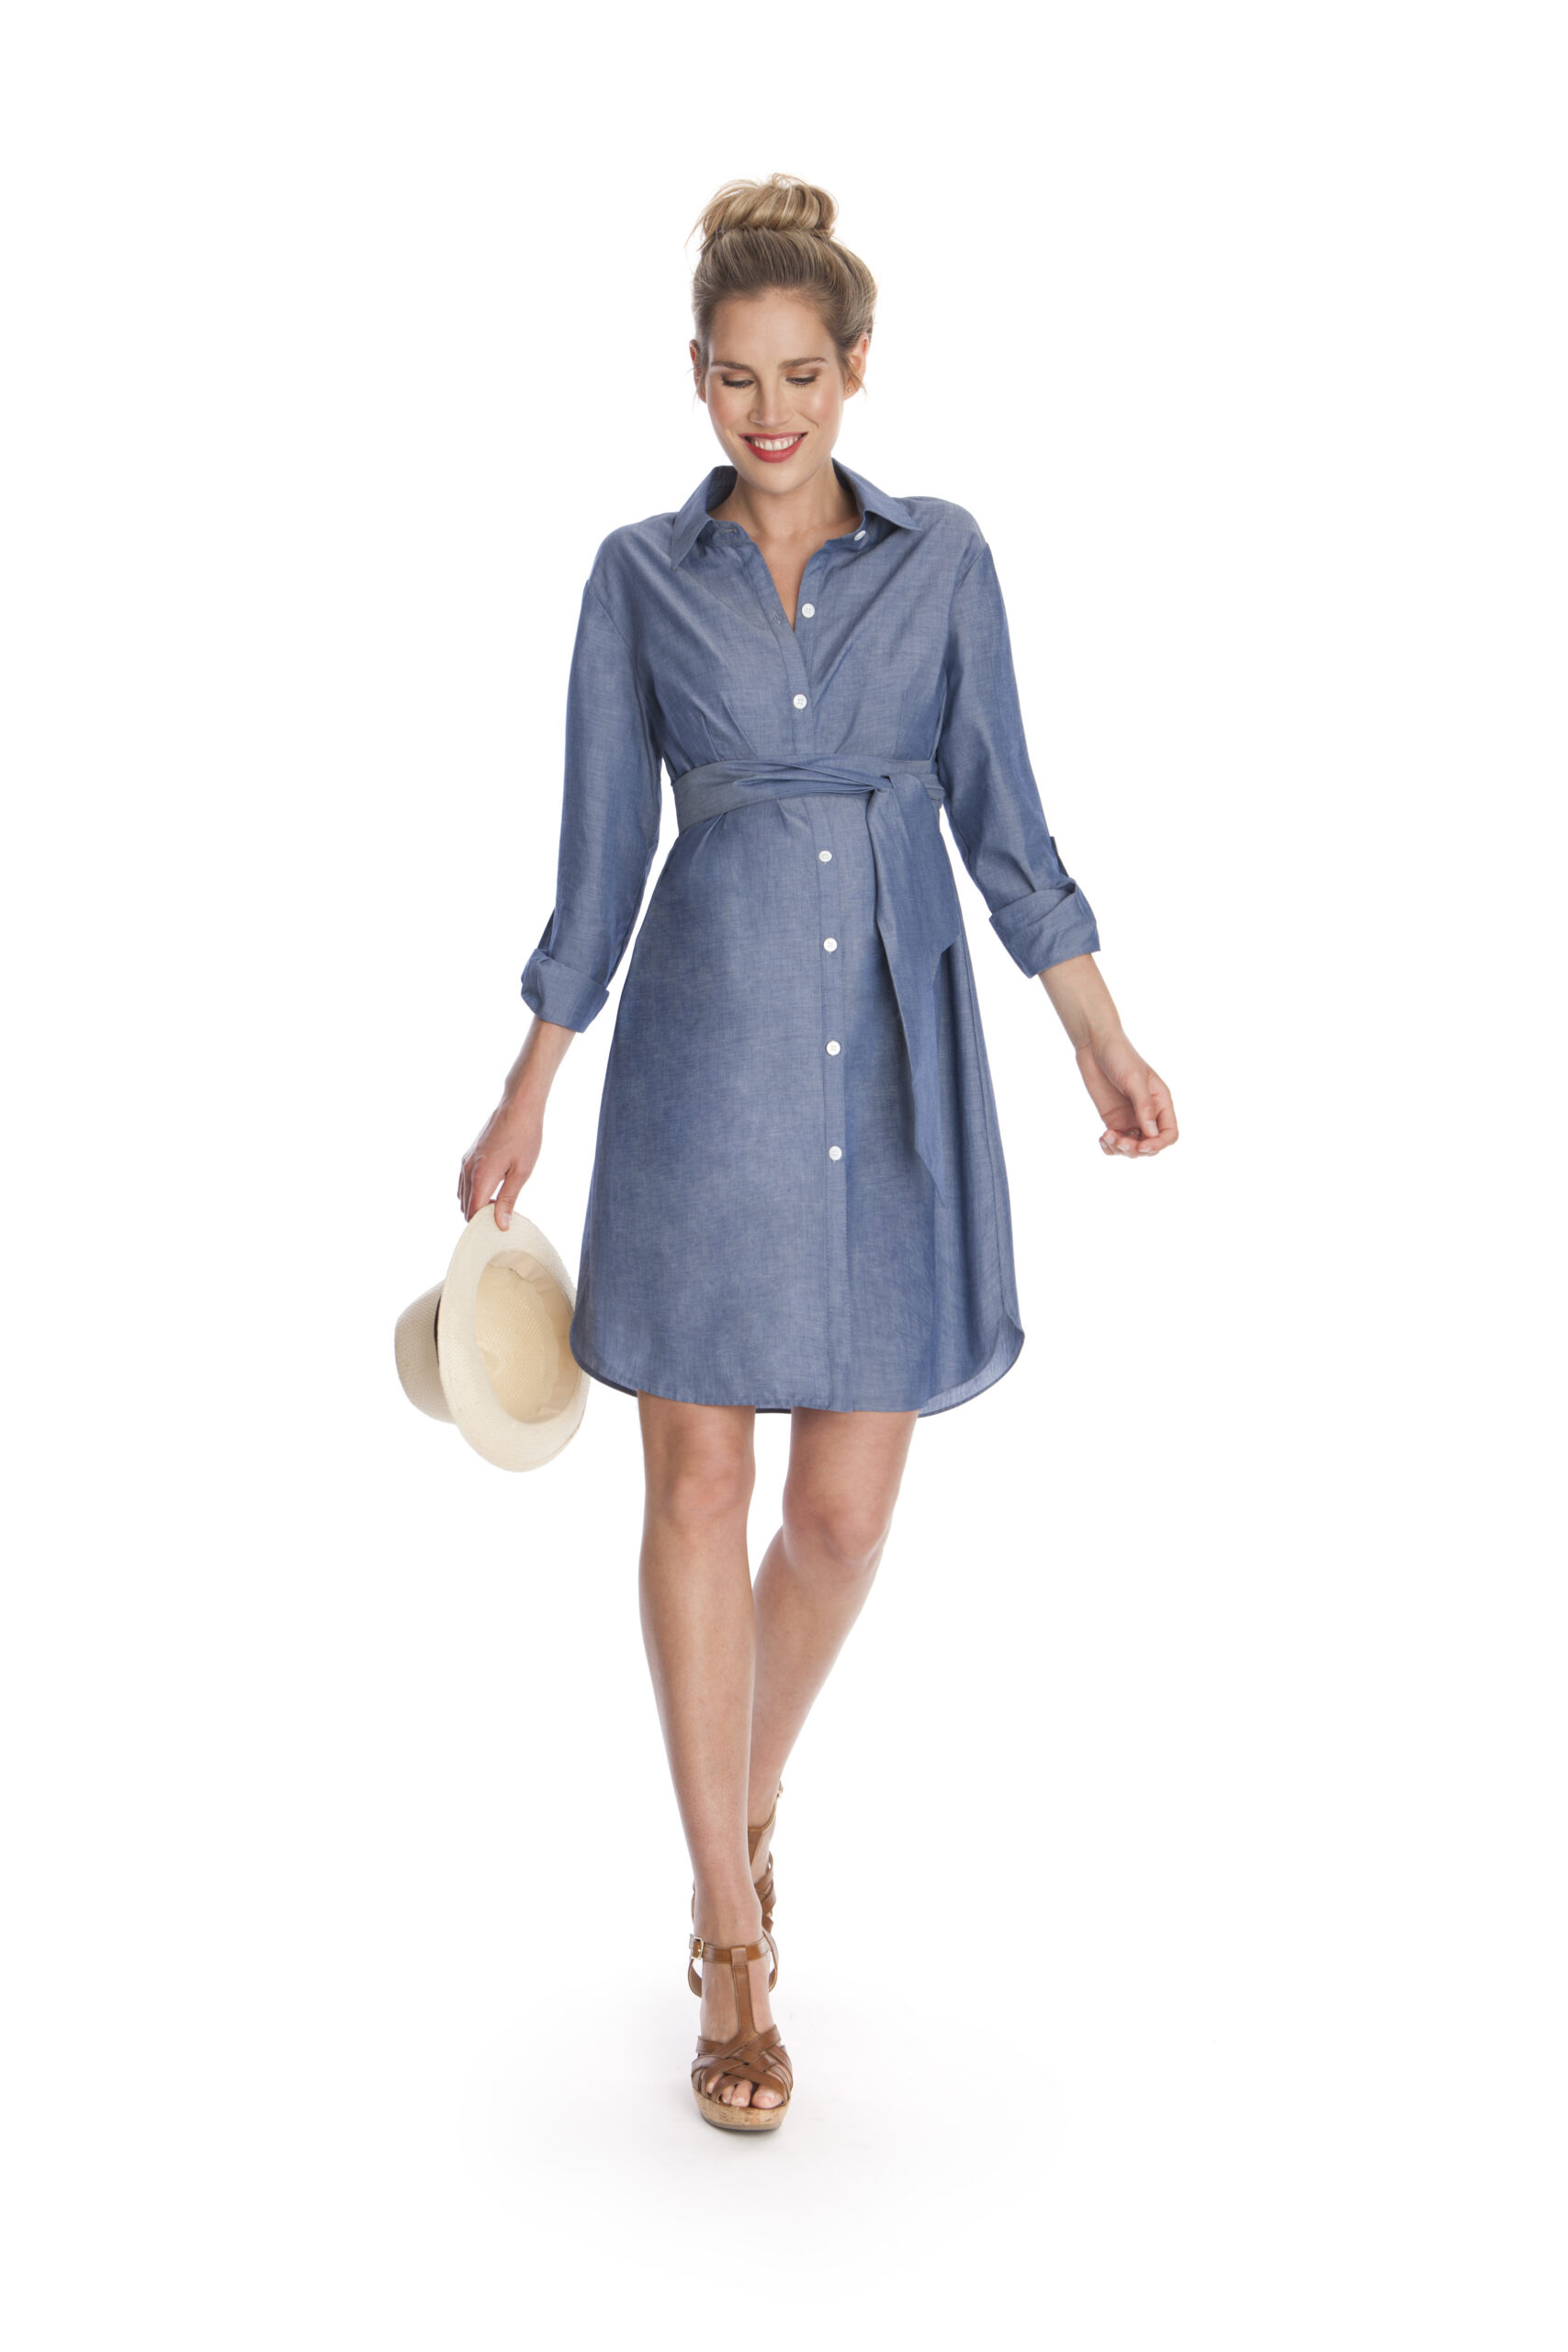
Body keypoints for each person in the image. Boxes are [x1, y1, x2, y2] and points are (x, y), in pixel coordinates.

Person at [458, 173, 1178, 2133]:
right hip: (699, 1060)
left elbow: (1008, 825)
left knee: (844, 1519)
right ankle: (731, 1932)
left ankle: (740, 1791)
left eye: (800, 373)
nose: (767, 410)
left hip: (894, 1059)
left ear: (856, 367)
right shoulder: (637, 575)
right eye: (733, 376)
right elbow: (597, 860)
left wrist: (1097, 1029)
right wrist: (530, 1080)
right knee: (698, 1482)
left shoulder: (946, 561)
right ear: (693, 378)